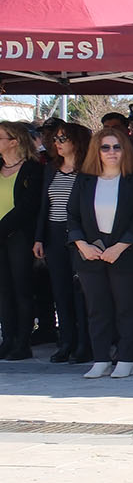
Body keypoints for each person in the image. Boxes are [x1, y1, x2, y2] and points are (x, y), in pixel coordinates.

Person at [68, 128, 133, 379]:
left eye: (117, 147)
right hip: (90, 255)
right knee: (97, 309)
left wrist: (120, 246)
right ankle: (100, 358)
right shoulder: (85, 180)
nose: (111, 152)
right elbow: (72, 216)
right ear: (96, 151)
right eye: (105, 147)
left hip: (125, 254)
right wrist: (82, 245)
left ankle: (126, 358)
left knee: (128, 308)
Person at [34, 123, 91, 364]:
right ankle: (65, 341)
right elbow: (43, 206)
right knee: (61, 290)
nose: (56, 142)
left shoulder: (89, 170)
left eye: (62, 138)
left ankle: (83, 344)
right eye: (55, 138)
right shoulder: (51, 169)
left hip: (79, 236)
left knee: (82, 292)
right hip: (54, 234)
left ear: (76, 141)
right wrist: (39, 237)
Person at [0, 122, 46, 359]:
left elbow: (28, 206)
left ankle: (22, 342)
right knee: (3, 292)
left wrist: (3, 227)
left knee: (22, 290)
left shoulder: (31, 169)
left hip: (18, 236)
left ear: (14, 141)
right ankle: (7, 339)